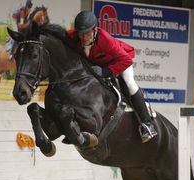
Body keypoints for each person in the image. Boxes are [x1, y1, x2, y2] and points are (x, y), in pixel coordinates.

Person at [67, 11, 157, 143]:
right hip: (99, 64)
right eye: (81, 33)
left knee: (129, 83)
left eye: (87, 33)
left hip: (120, 60)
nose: (83, 37)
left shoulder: (105, 40)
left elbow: (126, 61)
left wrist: (105, 72)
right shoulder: (74, 36)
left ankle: (147, 124)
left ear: (95, 30)